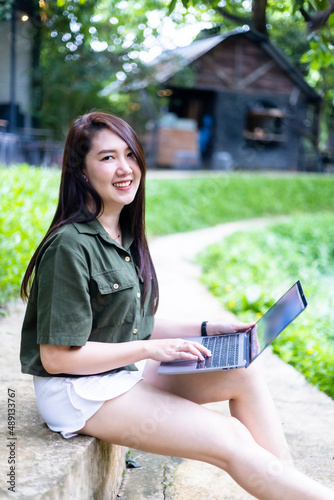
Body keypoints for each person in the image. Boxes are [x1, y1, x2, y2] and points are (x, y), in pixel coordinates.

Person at [20, 111, 333, 500]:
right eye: (107, 158)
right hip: (78, 393)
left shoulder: (122, 233)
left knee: (243, 374)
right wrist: (151, 350)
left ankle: (285, 487)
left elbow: (133, 322)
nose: (125, 168)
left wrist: (206, 329)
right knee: (229, 437)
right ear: (82, 171)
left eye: (130, 155)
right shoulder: (70, 245)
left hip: (116, 374)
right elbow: (58, 358)